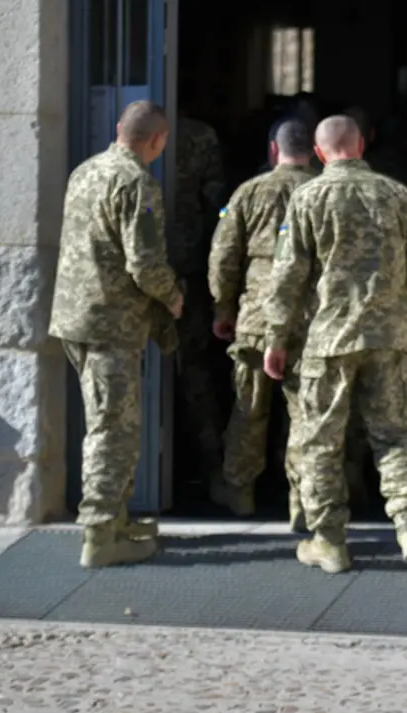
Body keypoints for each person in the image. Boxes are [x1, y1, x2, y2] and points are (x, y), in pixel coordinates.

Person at [263, 116, 407, 574]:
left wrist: (275, 339)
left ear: (320, 153)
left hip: (329, 340)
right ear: (361, 145)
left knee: (320, 441)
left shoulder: (308, 197)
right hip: (390, 337)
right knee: (396, 435)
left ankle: (329, 541)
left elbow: (287, 278)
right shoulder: (398, 196)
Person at [49, 100, 182, 568]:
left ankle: (117, 517)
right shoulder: (137, 183)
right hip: (111, 323)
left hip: (77, 318)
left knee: (113, 422)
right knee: (113, 430)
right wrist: (172, 297)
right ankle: (102, 533)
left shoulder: (85, 171)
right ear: (156, 141)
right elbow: (144, 262)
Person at [207, 120, 319, 524]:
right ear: (316, 151)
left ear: (274, 150)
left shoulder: (248, 192)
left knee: (248, 409)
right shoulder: (323, 192)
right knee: (306, 413)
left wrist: (223, 309)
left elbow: (223, 256)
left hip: (256, 318)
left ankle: (241, 493)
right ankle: (301, 501)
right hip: (310, 322)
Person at [171, 114, 229, 500]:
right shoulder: (200, 135)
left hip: (161, 274)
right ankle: (212, 468)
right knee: (194, 373)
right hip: (189, 270)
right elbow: (217, 207)